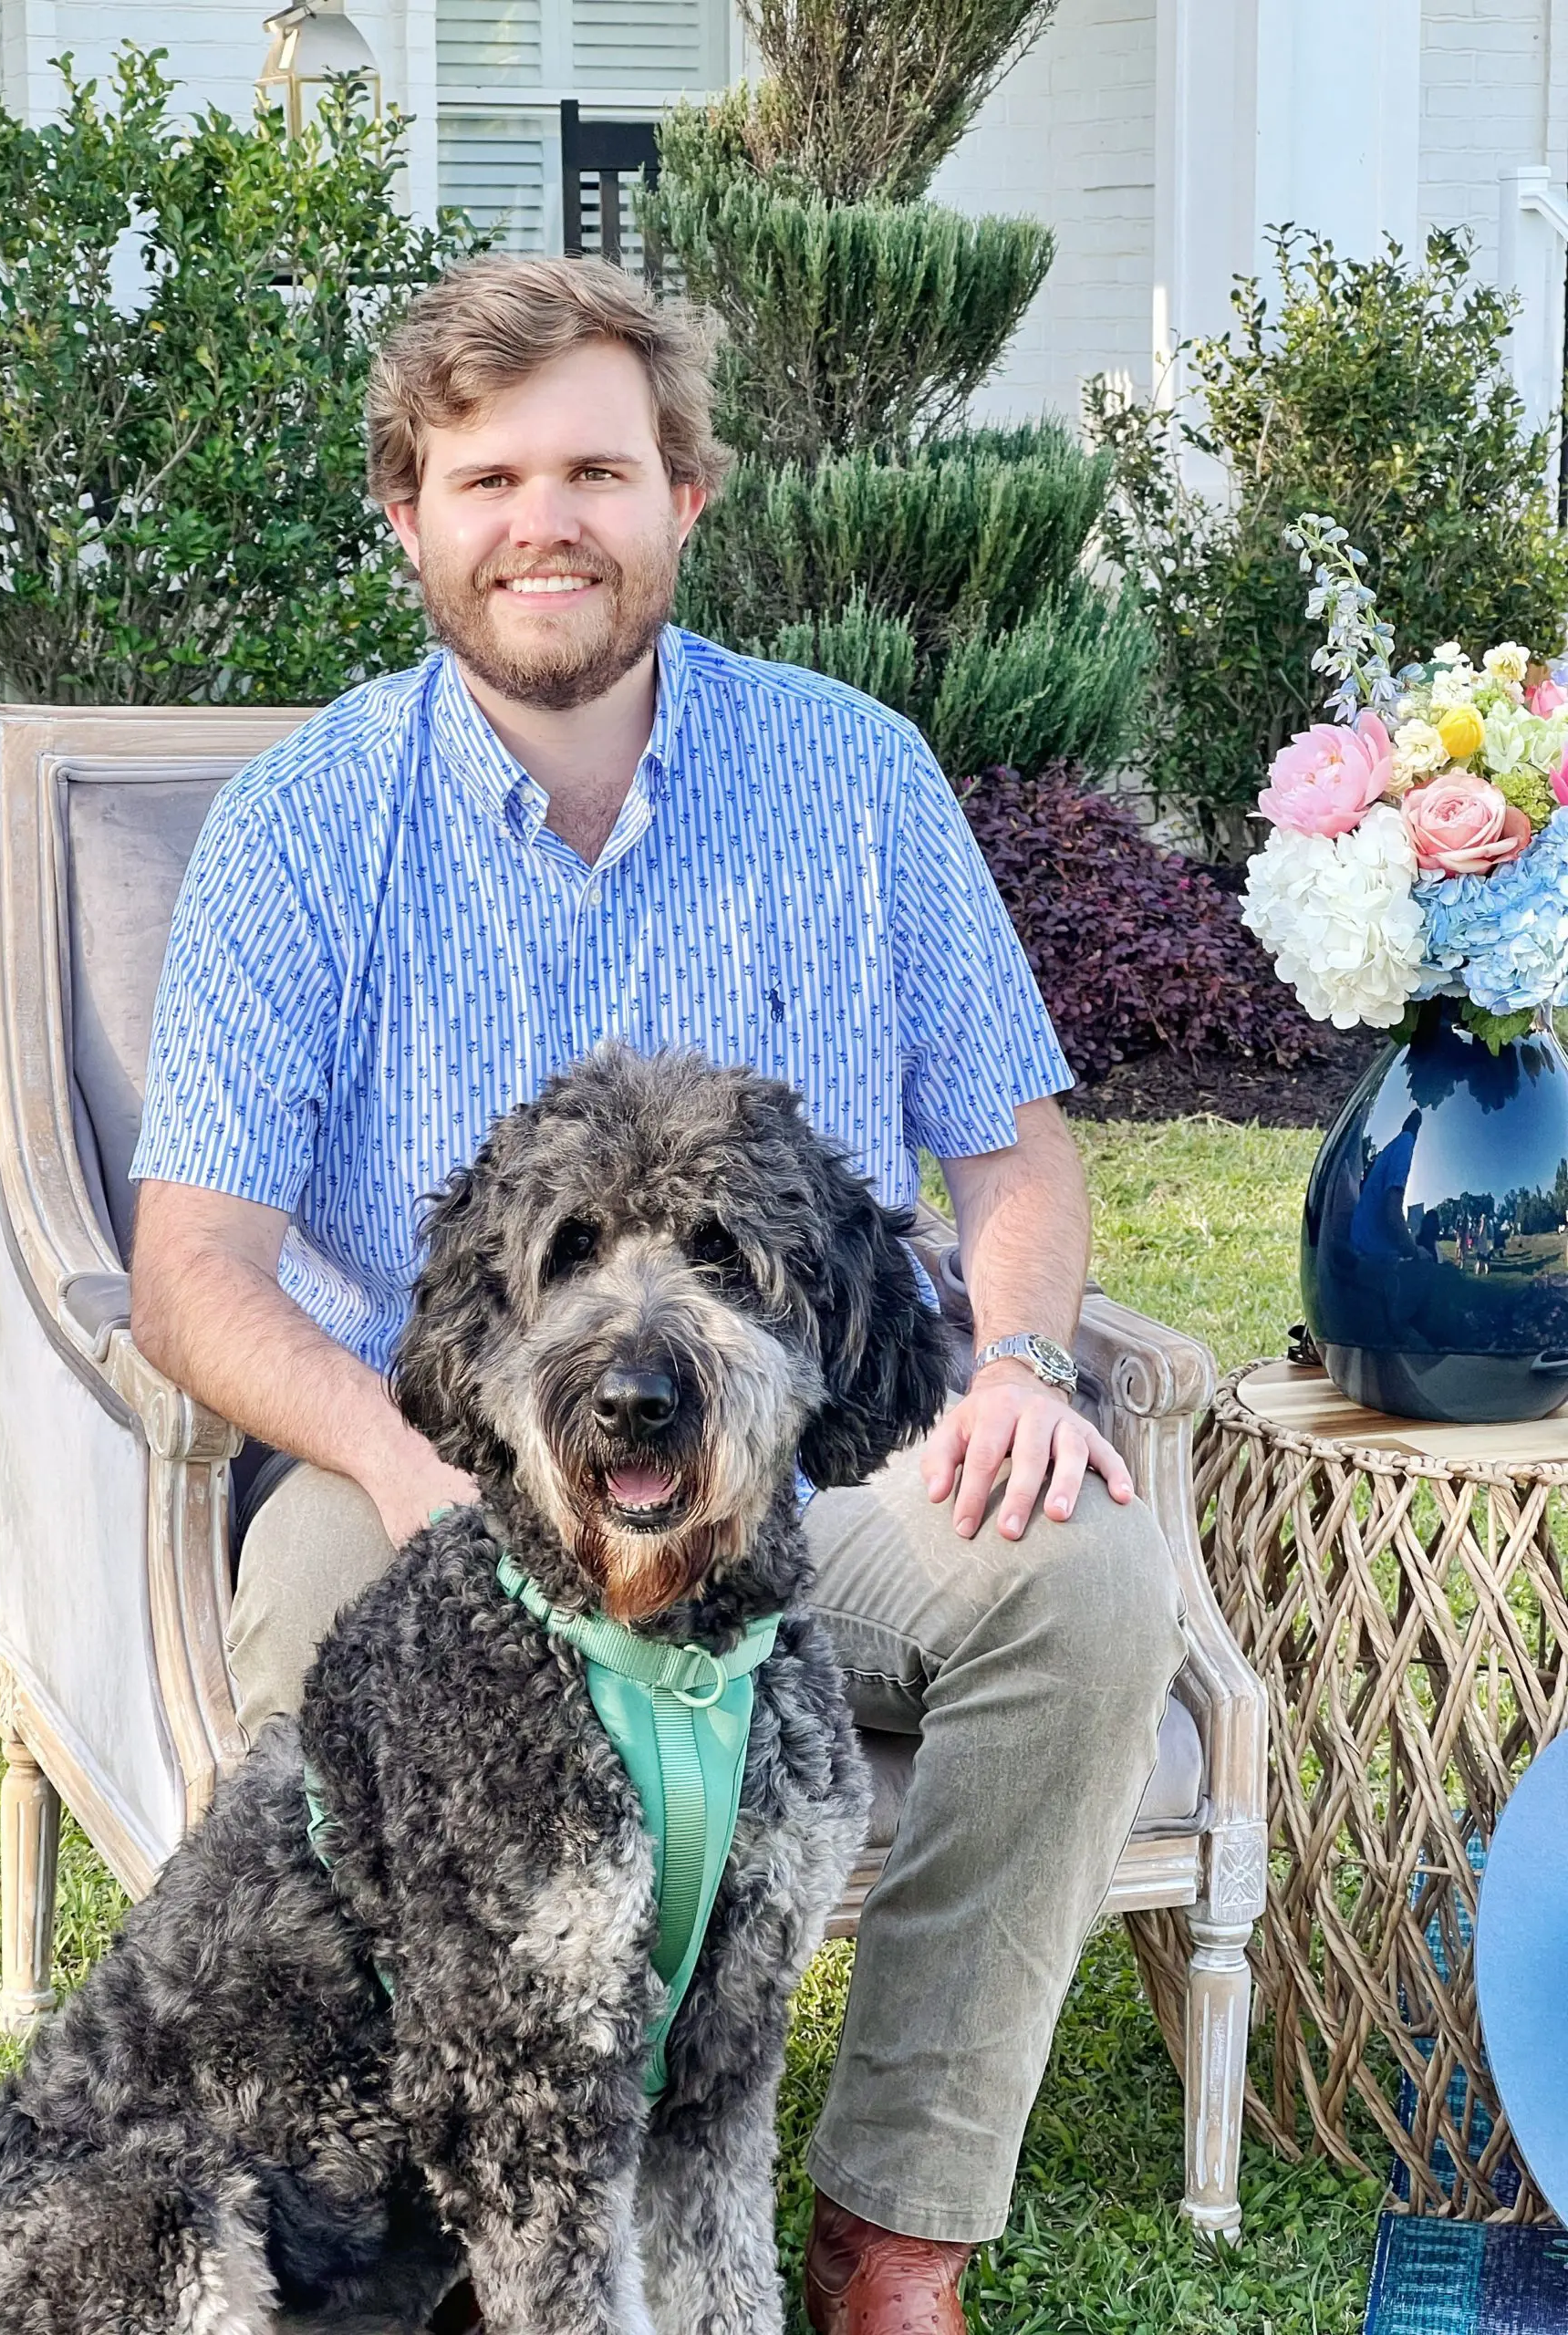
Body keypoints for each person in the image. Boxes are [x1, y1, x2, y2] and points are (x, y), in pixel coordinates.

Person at [128, 254, 1184, 2335]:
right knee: (363, 1635)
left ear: (685, 497)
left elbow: (1017, 1146)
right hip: (424, 1461)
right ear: (410, 513)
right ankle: (401, 2237)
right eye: (488, 472)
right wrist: (400, 1463)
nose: (547, 519)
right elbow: (191, 1267)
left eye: (597, 468)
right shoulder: (299, 827)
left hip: (792, 1467)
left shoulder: (859, 776)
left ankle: (895, 2232)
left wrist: (1029, 1356)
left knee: (1086, 1581)